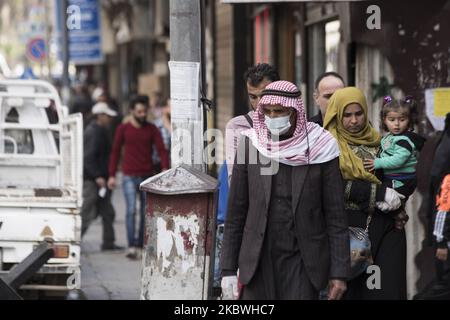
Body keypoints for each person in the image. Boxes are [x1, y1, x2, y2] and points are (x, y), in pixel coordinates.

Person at [220, 80, 350, 300]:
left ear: (294, 112)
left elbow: (336, 215)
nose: (272, 117)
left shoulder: (321, 147)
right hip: (257, 260)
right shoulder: (251, 145)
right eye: (268, 112)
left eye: (279, 111)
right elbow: (236, 212)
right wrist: (227, 270)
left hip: (302, 260)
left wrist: (339, 273)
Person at [324, 87, 407, 299]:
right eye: (347, 115)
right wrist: (377, 193)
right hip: (344, 233)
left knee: (381, 291)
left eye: (359, 114)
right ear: (337, 115)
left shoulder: (382, 143)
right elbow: (331, 188)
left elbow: (398, 179)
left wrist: (398, 204)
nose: (354, 121)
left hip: (382, 231)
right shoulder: (326, 147)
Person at [108, 96, 169, 260]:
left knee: (144, 211)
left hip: (146, 175)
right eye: (139, 112)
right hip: (128, 175)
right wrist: (112, 175)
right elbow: (115, 151)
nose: (142, 114)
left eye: (144, 111)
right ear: (132, 112)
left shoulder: (152, 129)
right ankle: (131, 245)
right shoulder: (123, 129)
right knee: (130, 211)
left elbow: (162, 149)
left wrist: (165, 168)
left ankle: (141, 244)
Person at [225, 63, 280, 184]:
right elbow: (234, 180)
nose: (259, 103)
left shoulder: (290, 124)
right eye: (253, 97)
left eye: (264, 95)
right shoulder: (236, 127)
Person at [364, 96, 425, 200]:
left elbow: (398, 160)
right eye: (391, 120)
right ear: (384, 120)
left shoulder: (404, 140)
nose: (396, 124)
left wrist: (377, 163)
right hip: (394, 178)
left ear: (409, 120)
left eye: (402, 120)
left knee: (383, 201)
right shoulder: (390, 137)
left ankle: (396, 212)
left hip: (401, 180)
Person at [81, 102, 123, 251]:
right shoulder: (94, 132)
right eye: (107, 116)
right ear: (100, 115)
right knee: (87, 211)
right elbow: (89, 157)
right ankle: (74, 240)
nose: (109, 119)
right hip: (93, 180)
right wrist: (98, 175)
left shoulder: (99, 130)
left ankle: (108, 242)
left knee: (107, 212)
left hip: (99, 178)